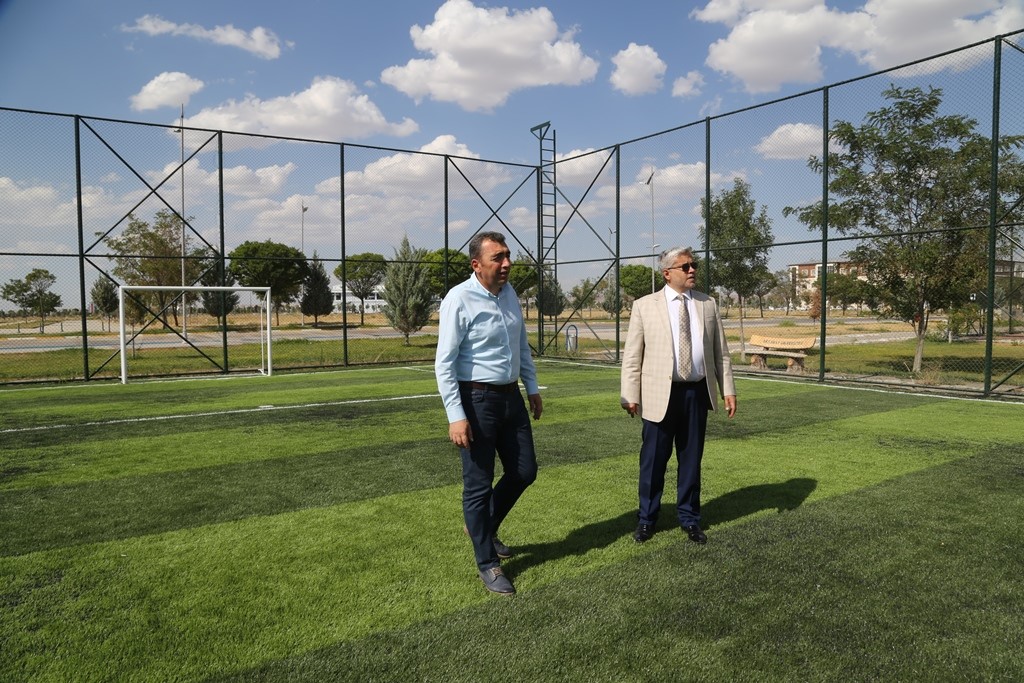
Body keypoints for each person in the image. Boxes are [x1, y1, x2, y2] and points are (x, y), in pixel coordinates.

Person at [435, 231, 542, 595]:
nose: (506, 263)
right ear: (476, 264)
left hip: (511, 397)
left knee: (525, 470)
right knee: (478, 484)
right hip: (476, 400)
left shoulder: (510, 294)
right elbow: (444, 363)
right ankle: (488, 563)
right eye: (498, 257)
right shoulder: (459, 298)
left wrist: (532, 387)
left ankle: (481, 525)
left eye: (507, 255)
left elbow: (521, 345)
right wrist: (456, 415)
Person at [620, 246, 737, 545]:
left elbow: (721, 353)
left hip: (697, 393)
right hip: (659, 394)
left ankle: (690, 518)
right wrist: (630, 394)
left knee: (691, 460)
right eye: (685, 266)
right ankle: (647, 519)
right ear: (667, 273)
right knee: (653, 461)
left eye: (693, 265)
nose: (692, 270)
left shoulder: (708, 304)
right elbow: (632, 355)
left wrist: (728, 389)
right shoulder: (645, 306)